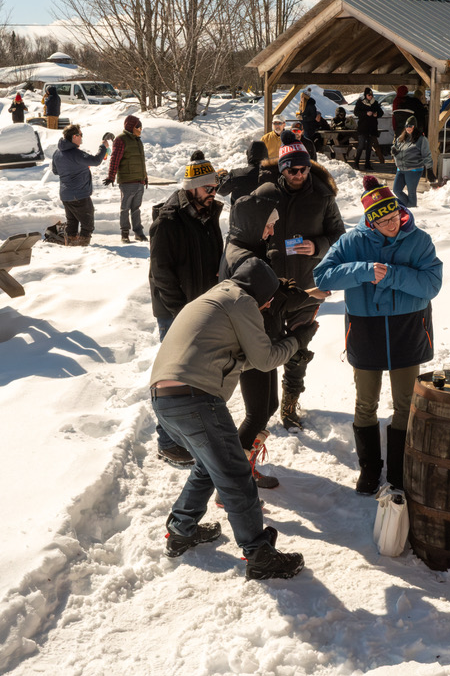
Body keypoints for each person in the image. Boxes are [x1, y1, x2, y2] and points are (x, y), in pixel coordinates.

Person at [150, 256, 312, 580]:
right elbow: (266, 360)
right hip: (195, 398)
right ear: (261, 292)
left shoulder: (215, 297)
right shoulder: (242, 301)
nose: (267, 306)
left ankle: (182, 529)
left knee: (209, 466)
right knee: (236, 472)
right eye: (268, 300)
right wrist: (296, 341)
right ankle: (258, 553)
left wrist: (288, 348)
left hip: (164, 398)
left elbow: (240, 361)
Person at [314, 175, 443, 495]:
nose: (392, 224)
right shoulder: (351, 242)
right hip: (366, 329)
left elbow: (431, 284)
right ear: (370, 220)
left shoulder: (419, 240)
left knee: (405, 404)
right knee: (365, 403)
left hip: (407, 327)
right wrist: (362, 270)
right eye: (382, 220)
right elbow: (322, 276)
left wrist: (391, 276)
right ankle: (370, 469)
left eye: (395, 216)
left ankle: (399, 472)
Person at [253, 130, 346, 430]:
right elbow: (247, 234)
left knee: (299, 346)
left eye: (305, 168)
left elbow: (339, 235)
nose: (300, 174)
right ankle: (260, 409)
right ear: (282, 169)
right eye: (293, 170)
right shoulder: (267, 195)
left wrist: (317, 246)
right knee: (264, 347)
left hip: (307, 284)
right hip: (269, 284)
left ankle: (289, 402)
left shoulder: (322, 196)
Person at [218, 194, 312, 488]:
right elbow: (268, 301)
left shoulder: (246, 249)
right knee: (258, 411)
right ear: (252, 223)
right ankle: (233, 482)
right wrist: (305, 296)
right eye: (268, 225)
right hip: (252, 343)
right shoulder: (244, 258)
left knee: (268, 405)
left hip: (263, 339)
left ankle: (244, 469)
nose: (271, 231)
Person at [147, 151, 225, 467]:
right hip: (175, 311)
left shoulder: (207, 214)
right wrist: (182, 313)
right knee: (172, 378)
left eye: (216, 188)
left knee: (196, 374)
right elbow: (161, 273)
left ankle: (191, 434)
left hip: (201, 306)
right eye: (208, 188)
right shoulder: (168, 221)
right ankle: (168, 443)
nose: (213, 193)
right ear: (192, 187)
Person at [51, 123, 109, 246]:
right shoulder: (75, 154)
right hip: (79, 195)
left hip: (66, 195)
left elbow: (56, 171)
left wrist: (74, 167)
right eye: (80, 134)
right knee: (88, 224)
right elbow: (95, 161)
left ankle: (71, 246)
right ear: (74, 136)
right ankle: (83, 247)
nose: (82, 137)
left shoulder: (57, 153)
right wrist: (103, 147)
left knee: (72, 223)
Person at [105, 115, 148, 243]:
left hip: (139, 180)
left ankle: (138, 232)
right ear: (131, 127)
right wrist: (111, 176)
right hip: (127, 181)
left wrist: (145, 177)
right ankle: (124, 233)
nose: (140, 129)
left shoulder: (137, 141)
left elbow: (141, 162)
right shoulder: (120, 140)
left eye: (141, 127)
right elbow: (115, 159)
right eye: (138, 127)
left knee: (136, 208)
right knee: (125, 208)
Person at [390, 116, 432, 208]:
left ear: (414, 127)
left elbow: (426, 154)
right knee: (396, 190)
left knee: (411, 192)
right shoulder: (401, 138)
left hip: (414, 169)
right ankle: (409, 206)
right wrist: (394, 151)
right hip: (400, 169)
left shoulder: (421, 139)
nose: (408, 128)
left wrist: (429, 169)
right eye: (407, 126)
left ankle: (412, 209)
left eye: (411, 126)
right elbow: (395, 148)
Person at [353, 88, 384, 169]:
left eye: (371, 95)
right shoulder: (360, 102)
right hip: (363, 128)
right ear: (365, 95)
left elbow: (381, 112)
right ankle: (356, 162)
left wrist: (376, 114)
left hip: (372, 128)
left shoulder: (375, 103)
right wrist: (365, 113)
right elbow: (356, 112)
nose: (370, 96)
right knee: (361, 145)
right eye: (368, 95)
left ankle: (367, 164)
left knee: (369, 146)